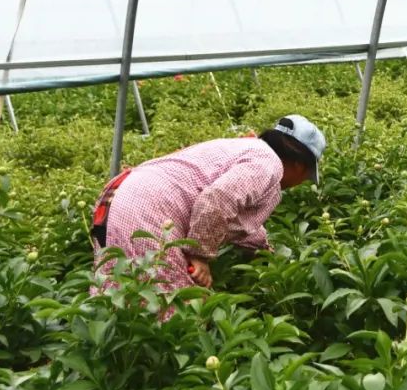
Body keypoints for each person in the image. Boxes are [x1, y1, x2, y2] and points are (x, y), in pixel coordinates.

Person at [91, 114, 326, 297]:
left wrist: (264, 251)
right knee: (178, 309)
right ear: (298, 164)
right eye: (306, 175)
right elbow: (216, 201)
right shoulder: (268, 163)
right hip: (148, 209)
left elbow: (237, 220)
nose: (301, 183)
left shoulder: (244, 148)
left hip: (119, 197)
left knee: (115, 291)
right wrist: (199, 254)